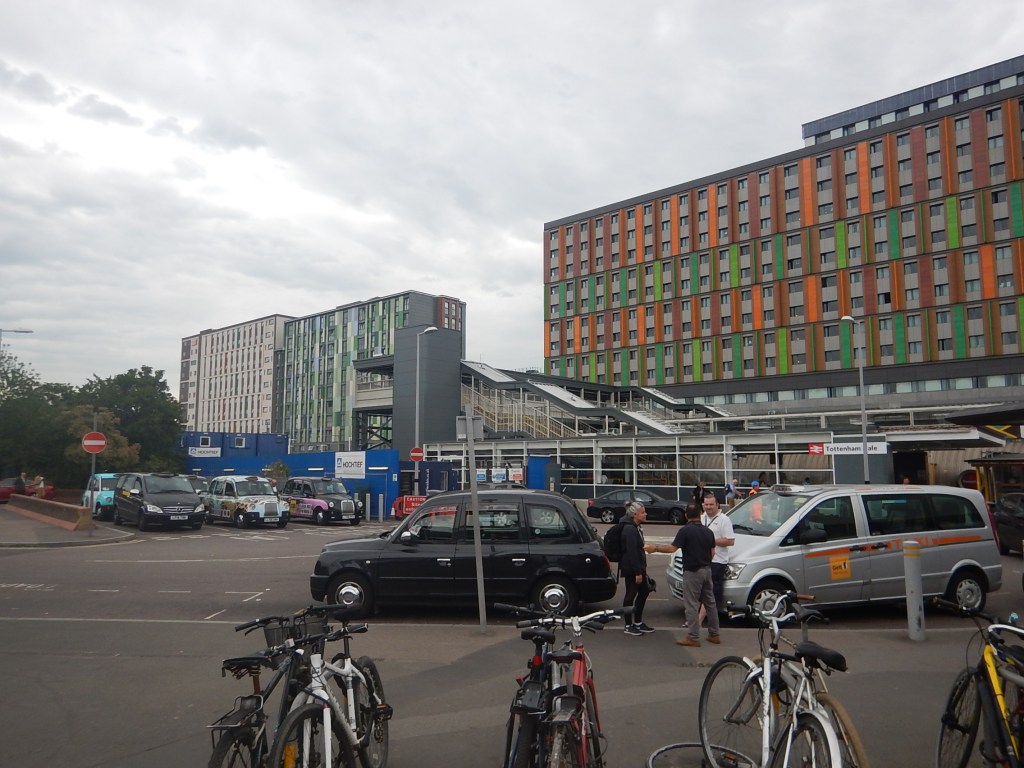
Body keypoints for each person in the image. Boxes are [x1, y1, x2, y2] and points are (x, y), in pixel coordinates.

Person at [648, 505, 719, 646]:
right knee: (710, 602)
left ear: (686, 515)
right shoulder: (708, 531)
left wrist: (655, 548)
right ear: (700, 514)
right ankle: (714, 634)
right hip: (706, 569)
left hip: (692, 571)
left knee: (691, 604)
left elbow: (672, 548)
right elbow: (712, 552)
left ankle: (693, 637)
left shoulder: (685, 531)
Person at [619, 501, 655, 636]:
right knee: (630, 595)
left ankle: (638, 622)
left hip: (639, 567)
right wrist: (638, 572)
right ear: (635, 514)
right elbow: (632, 552)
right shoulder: (630, 529)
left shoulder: (636, 527)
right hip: (632, 569)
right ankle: (628, 625)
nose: (646, 514)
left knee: (644, 591)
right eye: (643, 512)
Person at [700, 491, 735, 614]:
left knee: (713, 591)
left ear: (717, 505)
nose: (708, 507)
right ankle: (701, 617)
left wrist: (711, 541)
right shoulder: (702, 518)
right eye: (706, 504)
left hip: (717, 561)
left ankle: (714, 616)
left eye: (711, 504)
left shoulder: (724, 520)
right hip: (702, 560)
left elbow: (730, 541)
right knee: (701, 590)